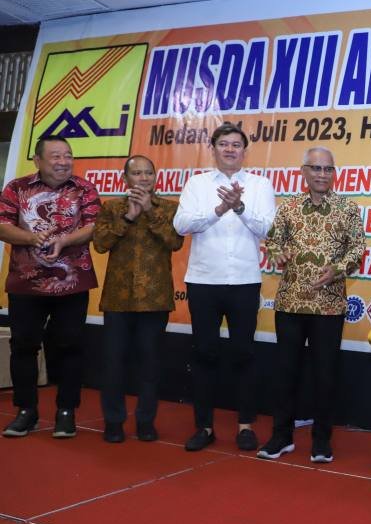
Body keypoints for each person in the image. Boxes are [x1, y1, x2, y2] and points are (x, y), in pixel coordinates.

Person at [174, 122, 276, 452]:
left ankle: (245, 426)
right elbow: (181, 224)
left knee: (244, 353)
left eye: (236, 145)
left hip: (244, 281)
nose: (230, 149)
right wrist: (219, 209)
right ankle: (204, 426)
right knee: (204, 353)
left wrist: (240, 208)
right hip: (204, 280)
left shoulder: (260, 185)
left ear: (244, 151)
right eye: (224, 144)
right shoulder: (197, 184)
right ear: (214, 149)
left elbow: (269, 229)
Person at [257, 147, 364, 462]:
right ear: (303, 171)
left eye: (328, 169)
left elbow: (357, 248)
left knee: (325, 375)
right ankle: (281, 436)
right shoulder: (289, 207)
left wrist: (338, 269)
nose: (321, 174)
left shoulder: (347, 208)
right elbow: (272, 242)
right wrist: (276, 254)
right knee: (285, 373)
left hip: (328, 306)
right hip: (290, 303)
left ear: (334, 173)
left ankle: (321, 440)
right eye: (316, 168)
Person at [0, 135, 100, 439]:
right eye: (56, 156)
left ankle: (66, 411)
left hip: (72, 282)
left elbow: (93, 226)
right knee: (23, 346)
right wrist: (32, 238)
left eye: (68, 155)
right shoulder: (17, 188)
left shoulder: (84, 188)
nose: (63, 161)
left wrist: (65, 240)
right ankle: (26, 411)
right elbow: (2, 225)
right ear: (38, 160)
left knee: (71, 345)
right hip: (26, 282)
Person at [93, 155, 183, 443]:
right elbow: (101, 244)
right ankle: (113, 422)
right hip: (118, 299)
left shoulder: (169, 208)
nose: (144, 178)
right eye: (137, 173)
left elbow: (175, 241)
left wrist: (149, 212)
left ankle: (145, 421)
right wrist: (129, 217)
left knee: (150, 365)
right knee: (113, 364)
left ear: (155, 177)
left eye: (148, 173)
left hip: (154, 299)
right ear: (125, 179)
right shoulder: (112, 208)